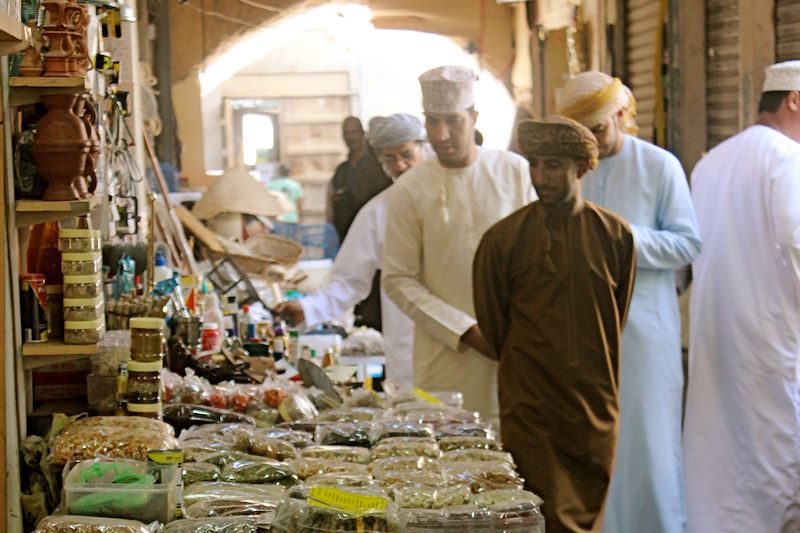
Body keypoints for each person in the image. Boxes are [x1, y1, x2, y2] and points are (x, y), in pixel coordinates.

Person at [474, 117, 636, 533]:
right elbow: (494, 325)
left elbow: (615, 314)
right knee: (535, 513)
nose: (540, 177)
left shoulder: (615, 236)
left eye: (553, 166)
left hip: (593, 403)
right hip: (530, 404)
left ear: (581, 169)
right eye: (534, 165)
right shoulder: (502, 240)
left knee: (588, 509)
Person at [556, 72, 701, 533]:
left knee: (649, 454)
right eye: (581, 137)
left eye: (597, 131)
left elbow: (687, 244)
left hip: (644, 339)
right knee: (590, 454)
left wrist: (623, 238)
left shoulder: (659, 166)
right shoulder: (573, 169)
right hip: (584, 339)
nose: (591, 147)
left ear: (621, 115)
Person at [684, 60, 800, 533]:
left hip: (716, 339)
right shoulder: (788, 159)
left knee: (718, 466)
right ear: (794, 100)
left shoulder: (711, 161)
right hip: (772, 344)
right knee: (773, 465)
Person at [382, 66, 535, 423]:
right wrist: (465, 331)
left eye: (453, 120)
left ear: (474, 117)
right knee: (452, 463)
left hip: (517, 348)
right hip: (446, 357)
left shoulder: (515, 172)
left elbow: (538, 259)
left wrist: (521, 328)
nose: (442, 134)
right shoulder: (410, 189)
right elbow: (398, 279)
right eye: (432, 122)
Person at [275, 114, 428, 389]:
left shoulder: (456, 199)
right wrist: (308, 308)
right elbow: (349, 280)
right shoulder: (377, 213)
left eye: (407, 154)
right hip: (409, 346)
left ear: (423, 148)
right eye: (389, 159)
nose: (400, 166)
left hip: (465, 341)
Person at [327, 116, 392, 243]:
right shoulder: (341, 170)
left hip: (374, 236)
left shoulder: (379, 166)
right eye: (346, 132)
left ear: (362, 133)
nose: (350, 137)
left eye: (354, 131)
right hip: (346, 238)